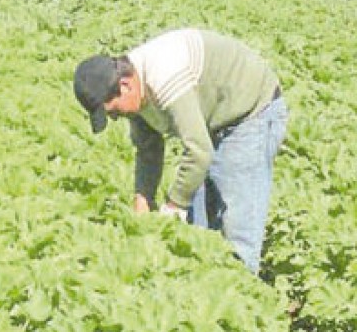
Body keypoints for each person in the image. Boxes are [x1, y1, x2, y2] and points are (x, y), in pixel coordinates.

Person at [73, 28, 288, 274]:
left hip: (250, 111)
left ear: (124, 85)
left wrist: (174, 205)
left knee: (236, 226)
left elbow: (198, 152)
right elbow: (148, 150)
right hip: (212, 118)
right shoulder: (133, 89)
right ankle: (202, 285)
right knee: (197, 228)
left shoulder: (163, 76)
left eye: (113, 111)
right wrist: (143, 200)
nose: (113, 118)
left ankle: (243, 291)